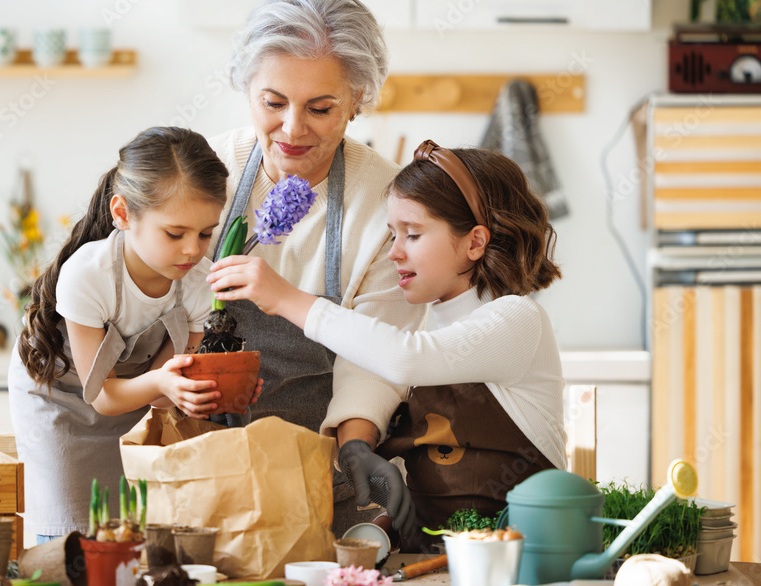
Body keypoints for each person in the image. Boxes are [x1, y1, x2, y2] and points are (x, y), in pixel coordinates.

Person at [208, 140, 568, 551]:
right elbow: (389, 372)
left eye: (412, 234)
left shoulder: (518, 320)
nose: (394, 252)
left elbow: (405, 358)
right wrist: (384, 503)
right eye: (392, 234)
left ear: (474, 243)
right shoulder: (437, 331)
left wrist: (288, 299)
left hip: (522, 561)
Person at [208, 0, 426, 534]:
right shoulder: (207, 174)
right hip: (206, 465)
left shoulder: (386, 200)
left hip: (323, 469)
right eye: (273, 103)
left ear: (358, 101)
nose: (292, 129)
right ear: (247, 89)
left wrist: (357, 445)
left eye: (321, 108)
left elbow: (374, 345)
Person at [8, 127, 242, 543]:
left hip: (133, 395)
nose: (193, 250)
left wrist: (212, 387)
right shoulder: (89, 275)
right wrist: (166, 381)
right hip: (60, 394)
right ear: (123, 214)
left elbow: (157, 390)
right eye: (175, 233)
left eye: (206, 233)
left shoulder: (198, 282)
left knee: (134, 533)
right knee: (73, 535)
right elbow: (101, 395)